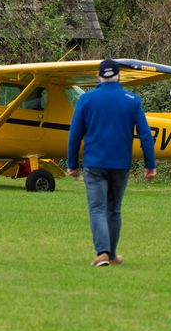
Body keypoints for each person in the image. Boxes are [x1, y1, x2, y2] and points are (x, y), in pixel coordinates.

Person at [67, 59, 157, 266]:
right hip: (120, 165)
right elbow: (145, 135)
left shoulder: (87, 99)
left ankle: (103, 253)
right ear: (119, 76)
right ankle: (112, 254)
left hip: (94, 164)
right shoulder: (132, 100)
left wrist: (72, 164)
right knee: (114, 210)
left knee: (97, 208)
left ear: (99, 77)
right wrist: (150, 165)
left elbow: (75, 135)